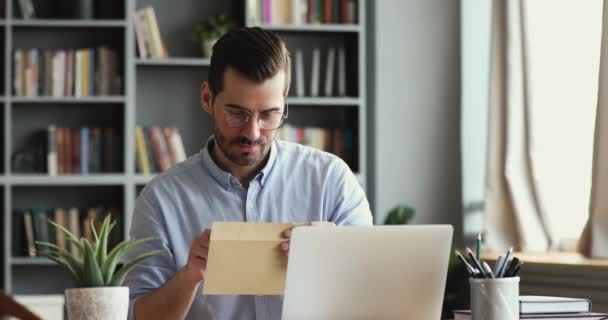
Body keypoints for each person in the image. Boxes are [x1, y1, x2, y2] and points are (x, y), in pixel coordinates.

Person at [124, 27, 372, 320]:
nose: (252, 133)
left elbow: (374, 297)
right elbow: (139, 317)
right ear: (207, 98)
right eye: (237, 113)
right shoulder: (161, 200)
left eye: (268, 114)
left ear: (285, 103)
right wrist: (190, 275)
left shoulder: (332, 180)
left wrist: (338, 254)